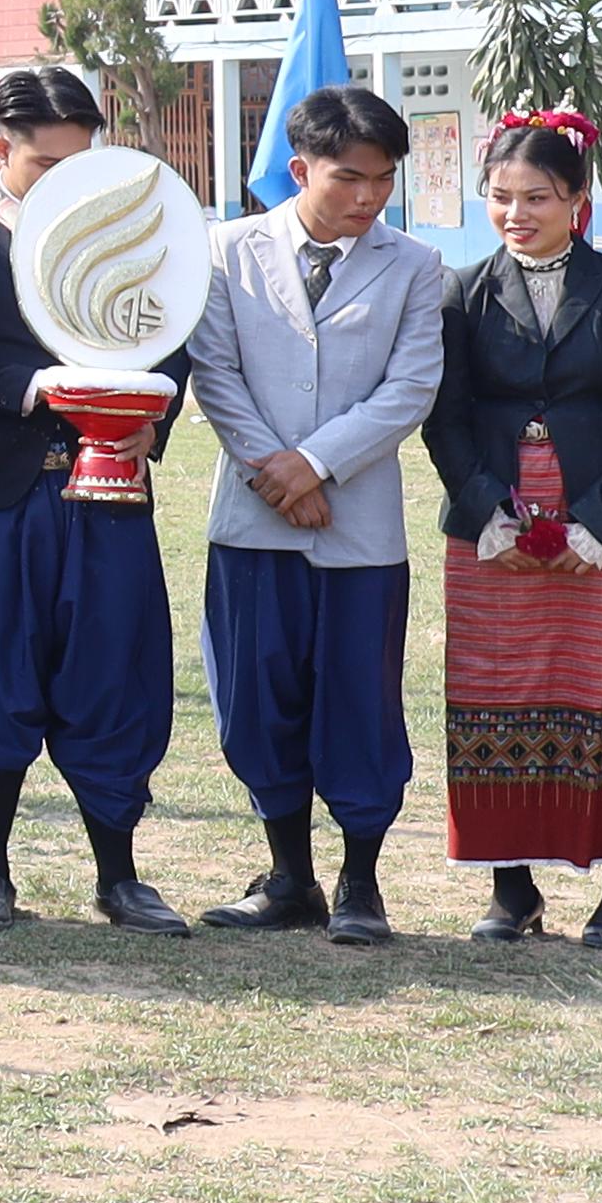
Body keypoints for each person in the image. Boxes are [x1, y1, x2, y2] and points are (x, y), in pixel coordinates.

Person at [0, 62, 189, 928]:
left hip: (111, 494)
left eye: (81, 160)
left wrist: (149, 421)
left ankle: (120, 876)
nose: (69, 180)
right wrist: (43, 388)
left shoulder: (127, 225)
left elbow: (173, 336)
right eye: (48, 165)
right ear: (2, 150)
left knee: (114, 670)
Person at [184, 82, 448, 943]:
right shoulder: (226, 251)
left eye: (383, 180)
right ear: (300, 168)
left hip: (357, 522)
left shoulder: (413, 264)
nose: (369, 197)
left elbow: (411, 387)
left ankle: (361, 883)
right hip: (255, 520)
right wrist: (274, 470)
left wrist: (316, 465)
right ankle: (288, 875)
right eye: (349, 178)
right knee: (257, 695)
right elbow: (214, 372)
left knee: (360, 699)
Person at [424, 112, 602, 946]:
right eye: (500, 197)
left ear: (578, 199)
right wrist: (487, 509)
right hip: (493, 522)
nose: (516, 212)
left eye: (537, 196)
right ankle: (511, 887)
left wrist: (600, 522)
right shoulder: (460, 290)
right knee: (499, 693)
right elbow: (445, 417)